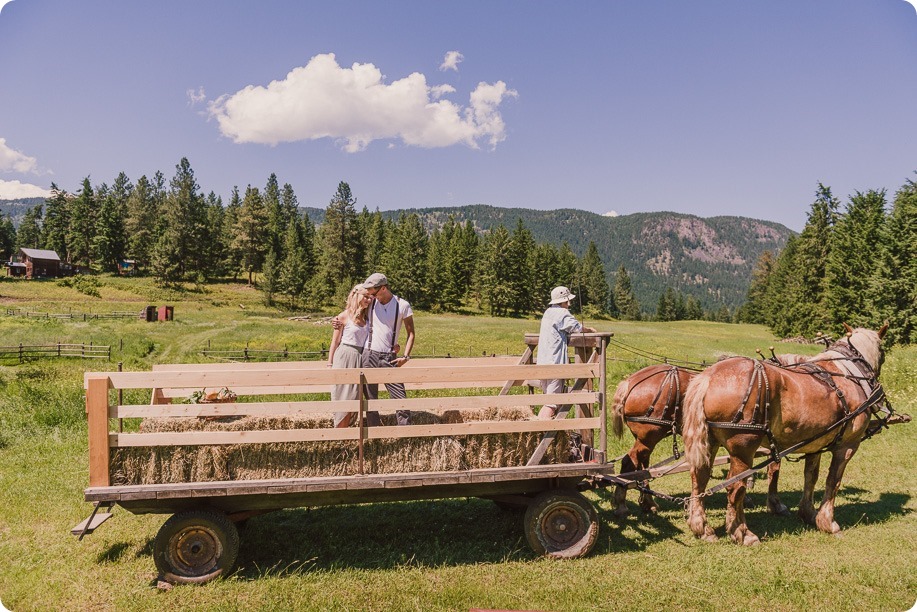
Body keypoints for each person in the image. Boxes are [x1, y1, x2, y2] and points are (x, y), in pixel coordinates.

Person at [359, 272, 415, 426]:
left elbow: (411, 333)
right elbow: (351, 311)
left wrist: (406, 356)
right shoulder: (370, 303)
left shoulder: (402, 305)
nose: (370, 295)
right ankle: (374, 434)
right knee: (370, 399)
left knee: (399, 397)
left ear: (383, 288)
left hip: (389, 356)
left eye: (373, 292)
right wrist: (338, 321)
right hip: (368, 354)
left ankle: (405, 434)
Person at [536, 286, 596, 420]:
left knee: (547, 399)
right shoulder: (563, 314)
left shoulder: (547, 312)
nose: (569, 304)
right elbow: (577, 328)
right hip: (555, 363)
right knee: (551, 404)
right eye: (567, 301)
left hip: (543, 362)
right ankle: (541, 433)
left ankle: (543, 434)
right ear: (562, 302)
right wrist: (590, 330)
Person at [328, 285, 373, 428]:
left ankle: (348, 433)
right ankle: (340, 433)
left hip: (361, 357)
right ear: (357, 296)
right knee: (343, 395)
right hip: (345, 356)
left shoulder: (368, 316)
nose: (369, 299)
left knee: (355, 398)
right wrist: (330, 363)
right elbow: (335, 342)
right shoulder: (343, 316)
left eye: (370, 297)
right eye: (365, 296)